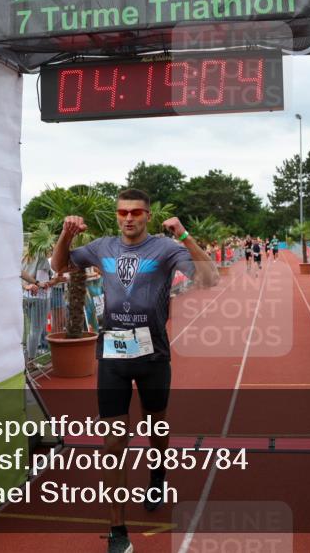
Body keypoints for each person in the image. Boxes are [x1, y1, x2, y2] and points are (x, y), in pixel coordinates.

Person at [50, 189, 218, 553]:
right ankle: (117, 529)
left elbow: (210, 279)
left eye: (136, 212)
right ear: (117, 215)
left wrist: (185, 234)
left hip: (153, 355)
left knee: (157, 424)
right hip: (112, 357)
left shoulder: (165, 248)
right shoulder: (101, 247)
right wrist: (66, 235)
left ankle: (157, 472)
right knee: (113, 442)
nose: (129, 218)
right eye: (123, 212)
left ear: (148, 215)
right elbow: (58, 266)